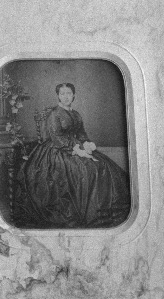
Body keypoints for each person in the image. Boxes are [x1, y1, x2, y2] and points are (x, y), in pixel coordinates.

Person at [14, 82, 130, 228]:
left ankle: (101, 208)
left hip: (76, 144)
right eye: (62, 94)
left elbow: (81, 133)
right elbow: (57, 137)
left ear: (74, 95)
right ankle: (87, 211)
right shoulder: (55, 114)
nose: (66, 97)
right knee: (83, 169)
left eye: (68, 93)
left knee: (102, 164)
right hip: (58, 149)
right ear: (58, 96)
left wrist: (86, 143)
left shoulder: (76, 114)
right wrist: (76, 150)